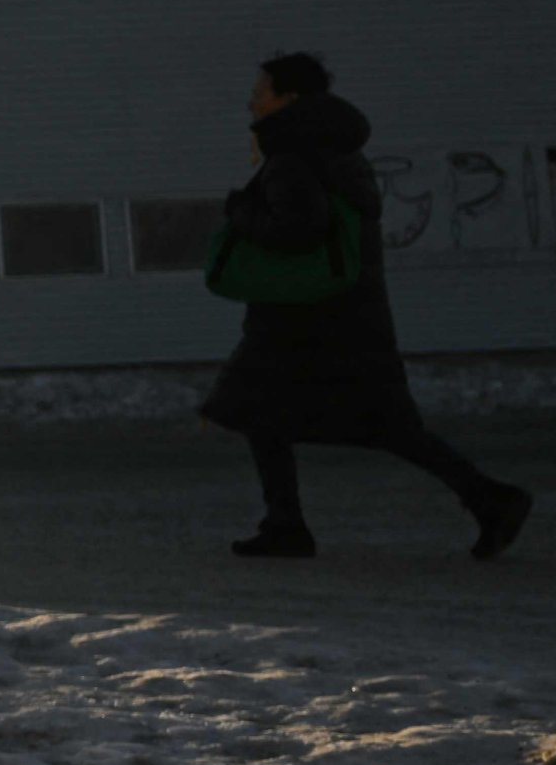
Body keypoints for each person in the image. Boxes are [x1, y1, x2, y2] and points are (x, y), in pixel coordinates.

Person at [200, 51, 535, 563]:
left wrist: (241, 213)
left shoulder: (293, 155)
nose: (252, 98)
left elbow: (299, 229)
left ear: (289, 99)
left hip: (305, 319)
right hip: (343, 312)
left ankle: (489, 498)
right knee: (302, 415)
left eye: (261, 89)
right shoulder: (335, 150)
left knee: (270, 410)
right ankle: (288, 522)